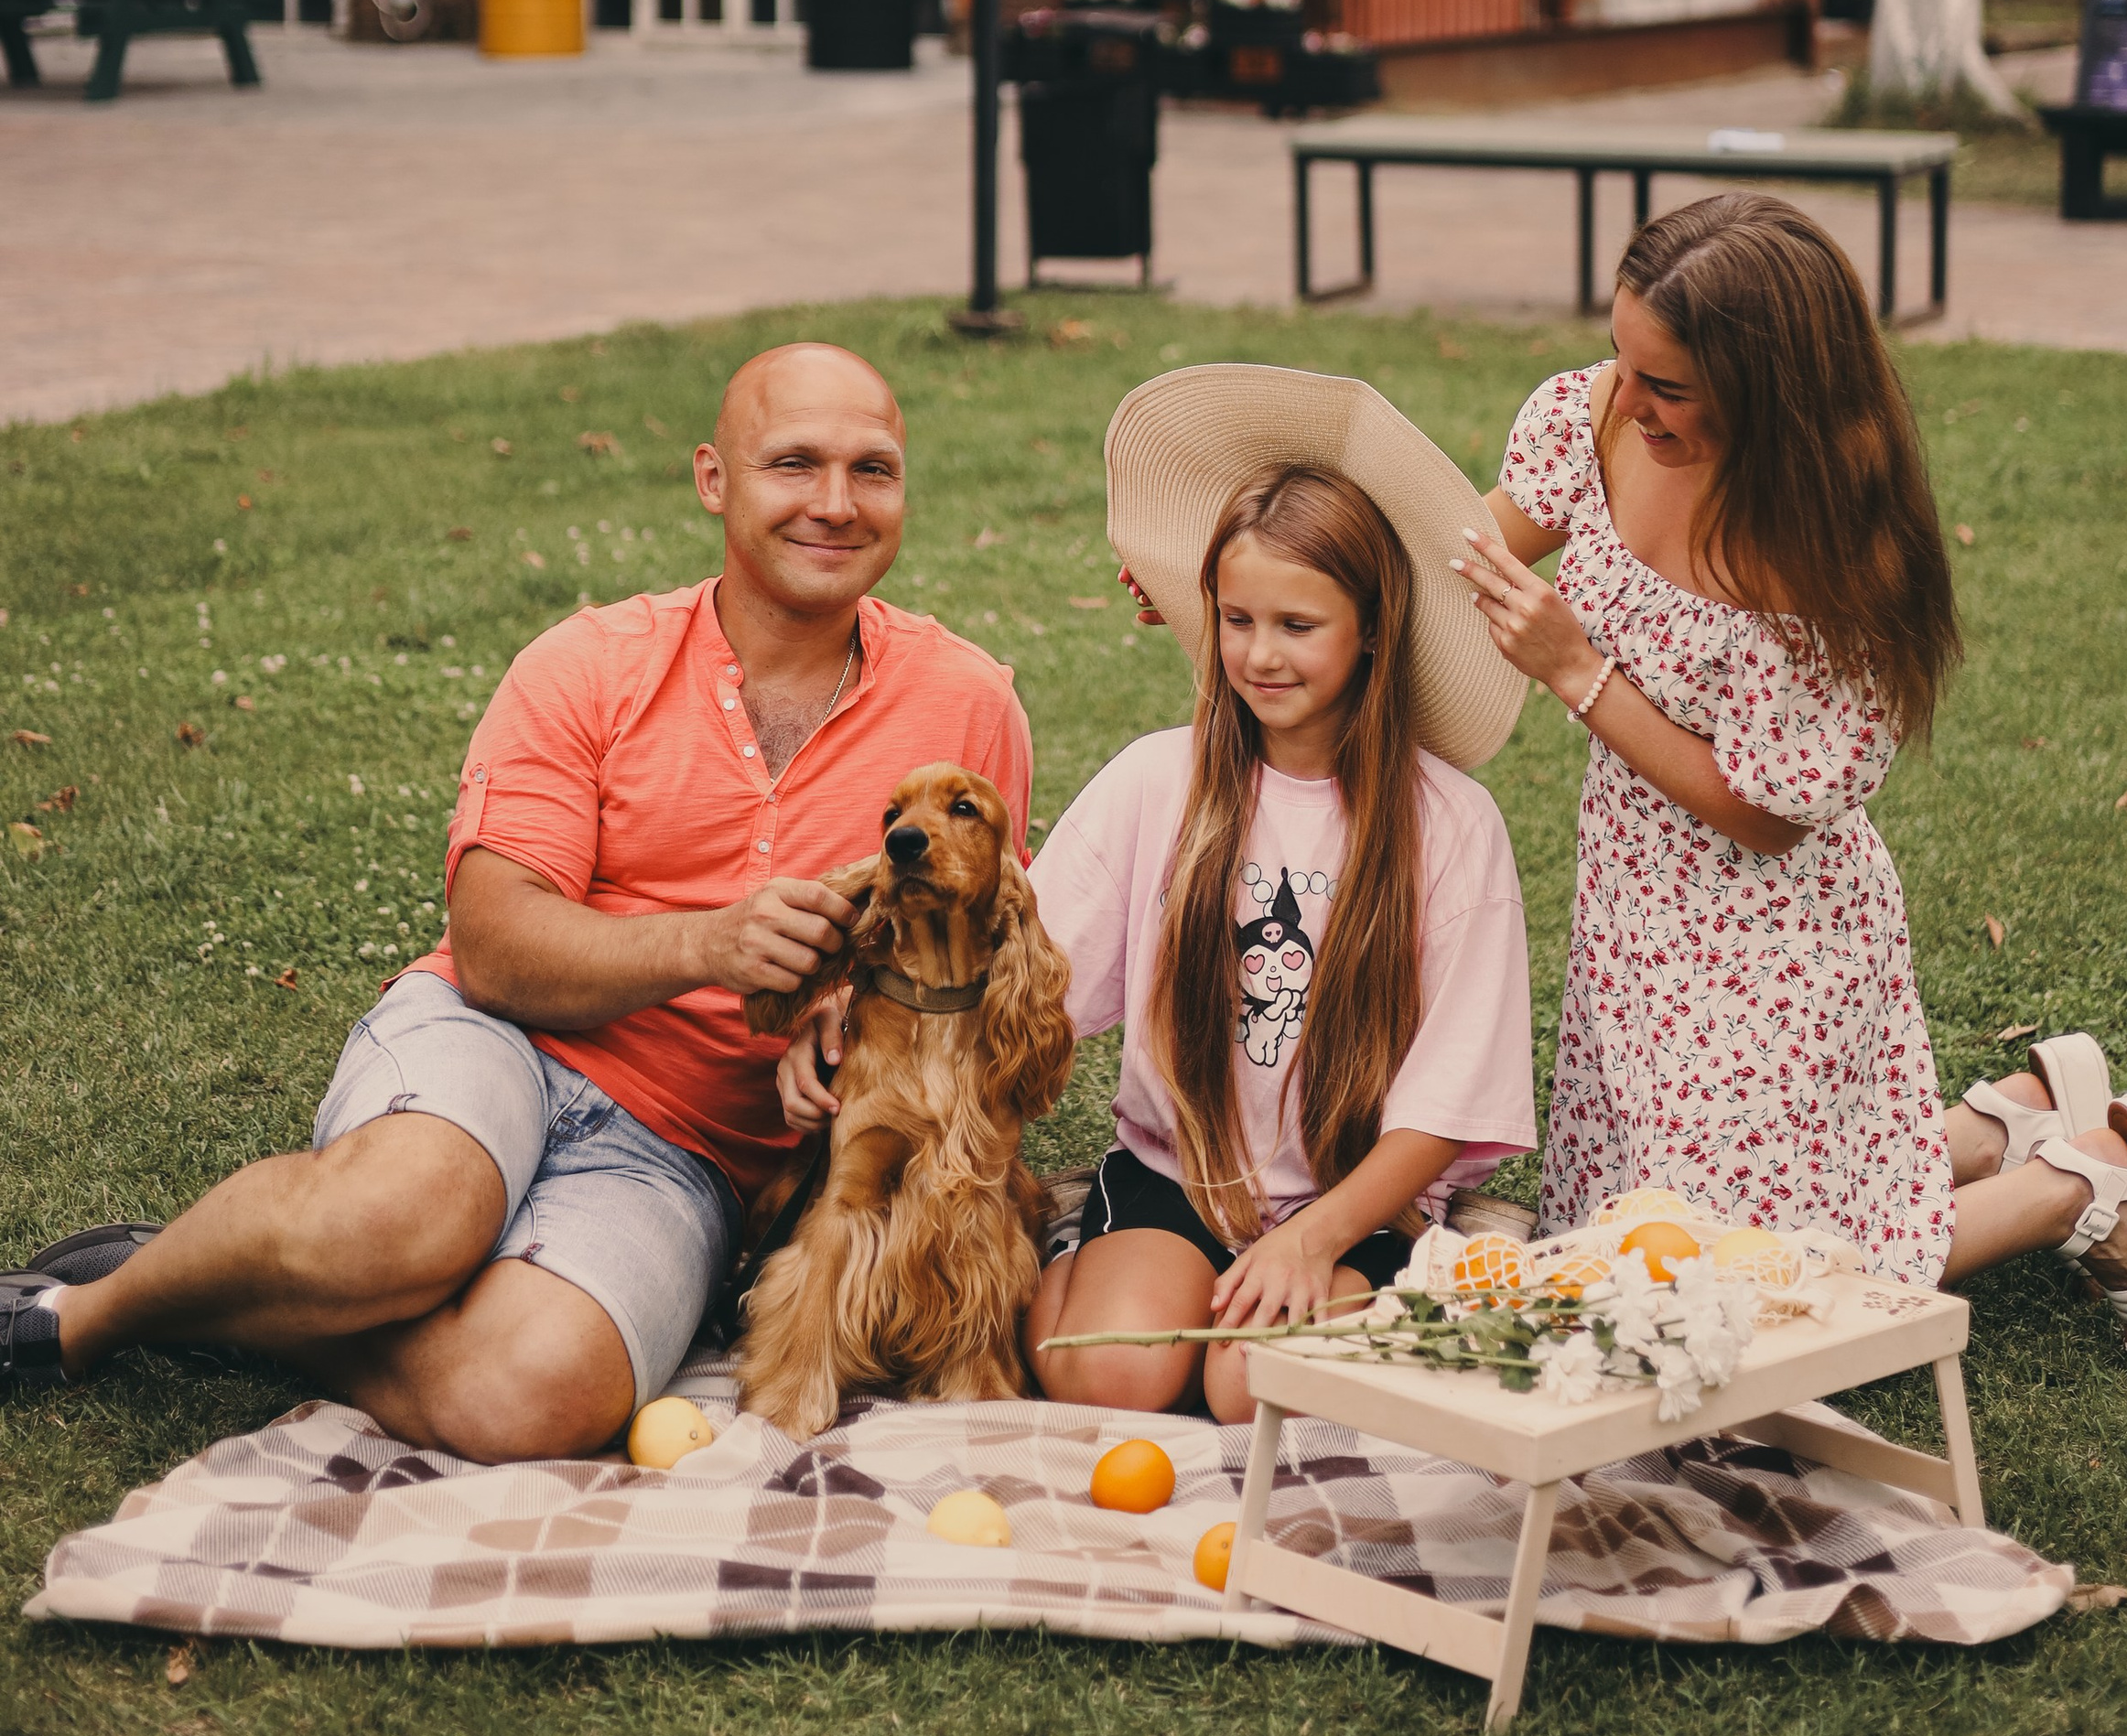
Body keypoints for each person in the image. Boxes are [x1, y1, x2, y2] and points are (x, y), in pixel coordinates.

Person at [0, 341, 1031, 1454]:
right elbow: (493, 948)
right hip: (496, 1039)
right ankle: (80, 1316)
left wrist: (847, 1012)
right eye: (793, 464)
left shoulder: (968, 705)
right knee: (400, 1221)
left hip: (686, 1149)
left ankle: (247, 1295)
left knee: (530, 1393)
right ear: (713, 480)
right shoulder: (588, 663)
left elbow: (962, 946)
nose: (835, 504)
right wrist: (710, 946)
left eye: (872, 470)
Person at [1458, 190, 2127, 1351]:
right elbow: (1457, 554)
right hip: (1633, 894)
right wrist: (1229, 588)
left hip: (1776, 929)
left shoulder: (1835, 548)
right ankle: (2012, 1119)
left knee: (1740, 1291)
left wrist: (1577, 670)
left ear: (1771, 391)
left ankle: (2084, 1184)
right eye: (1623, 358)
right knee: (1653, 1229)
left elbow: (1769, 821)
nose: (1630, 397)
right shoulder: (1601, 416)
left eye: (1669, 386)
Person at [1012, 363, 1536, 1428]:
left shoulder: (1449, 825)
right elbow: (1022, 986)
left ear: (1372, 630)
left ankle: (1372, 1289)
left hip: (1351, 1200)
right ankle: (1078, 1247)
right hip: (1176, 1177)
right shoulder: (1158, 782)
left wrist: (1317, 1235)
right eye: (1236, 617)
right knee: (1108, 1376)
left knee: (1250, 1390)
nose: (1256, 655)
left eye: (1297, 626)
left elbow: (1443, 1109)